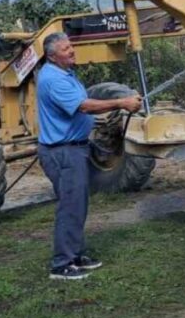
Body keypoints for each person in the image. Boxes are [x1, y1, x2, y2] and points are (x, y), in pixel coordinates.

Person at [36, 31, 143, 280]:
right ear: (52, 56)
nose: (72, 50)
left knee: (77, 205)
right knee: (70, 207)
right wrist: (121, 103)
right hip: (63, 152)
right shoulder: (54, 79)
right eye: (65, 49)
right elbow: (82, 105)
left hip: (73, 149)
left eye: (71, 45)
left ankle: (75, 255)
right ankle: (61, 265)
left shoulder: (65, 73)